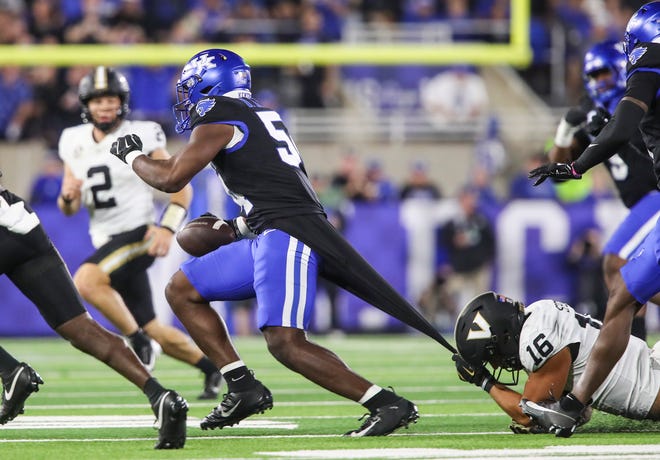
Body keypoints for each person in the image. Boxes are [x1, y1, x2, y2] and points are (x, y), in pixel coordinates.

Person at [107, 48, 458, 436]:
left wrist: (132, 156)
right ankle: (242, 386)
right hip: (270, 229)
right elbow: (272, 182)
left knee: (285, 342)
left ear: (211, 84)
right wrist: (238, 226)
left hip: (287, 232)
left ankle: (384, 402)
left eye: (190, 88)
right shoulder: (254, 113)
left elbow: (171, 177)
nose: (186, 99)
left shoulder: (221, 113)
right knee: (182, 288)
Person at [525, 2, 660, 436]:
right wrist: (567, 139)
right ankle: (576, 403)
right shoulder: (587, 109)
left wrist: (575, 167)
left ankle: (575, 405)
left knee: (618, 285)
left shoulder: (647, 67)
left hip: (654, 200)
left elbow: (622, 129)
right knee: (620, 287)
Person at [57, 66, 221, 400]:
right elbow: (68, 206)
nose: (105, 106)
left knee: (86, 281)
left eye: (111, 99)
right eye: (98, 100)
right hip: (106, 241)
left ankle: (137, 341)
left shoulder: (142, 133)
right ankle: (212, 367)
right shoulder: (71, 140)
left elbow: (180, 188)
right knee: (155, 328)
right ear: (87, 104)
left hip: (139, 233)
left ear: (122, 102)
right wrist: (67, 197)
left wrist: (166, 228)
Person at [0, 178, 187, 449]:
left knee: (80, 328)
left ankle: (11, 372)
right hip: (20, 221)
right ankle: (161, 396)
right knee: (81, 328)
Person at [546, 39, 660, 340]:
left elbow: (635, 140)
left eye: (604, 74)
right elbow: (560, 174)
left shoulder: (640, 94)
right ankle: (636, 353)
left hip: (655, 196)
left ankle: (630, 356)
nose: (599, 83)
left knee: (616, 263)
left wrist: (607, 126)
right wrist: (566, 131)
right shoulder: (592, 110)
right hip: (642, 203)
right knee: (630, 279)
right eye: (593, 77)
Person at [452, 292, 660, 434]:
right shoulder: (538, 311)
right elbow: (579, 412)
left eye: (493, 356)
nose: (496, 365)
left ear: (505, 335)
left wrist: (483, 381)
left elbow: (530, 415)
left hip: (652, 387)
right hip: (650, 360)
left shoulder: (536, 341)